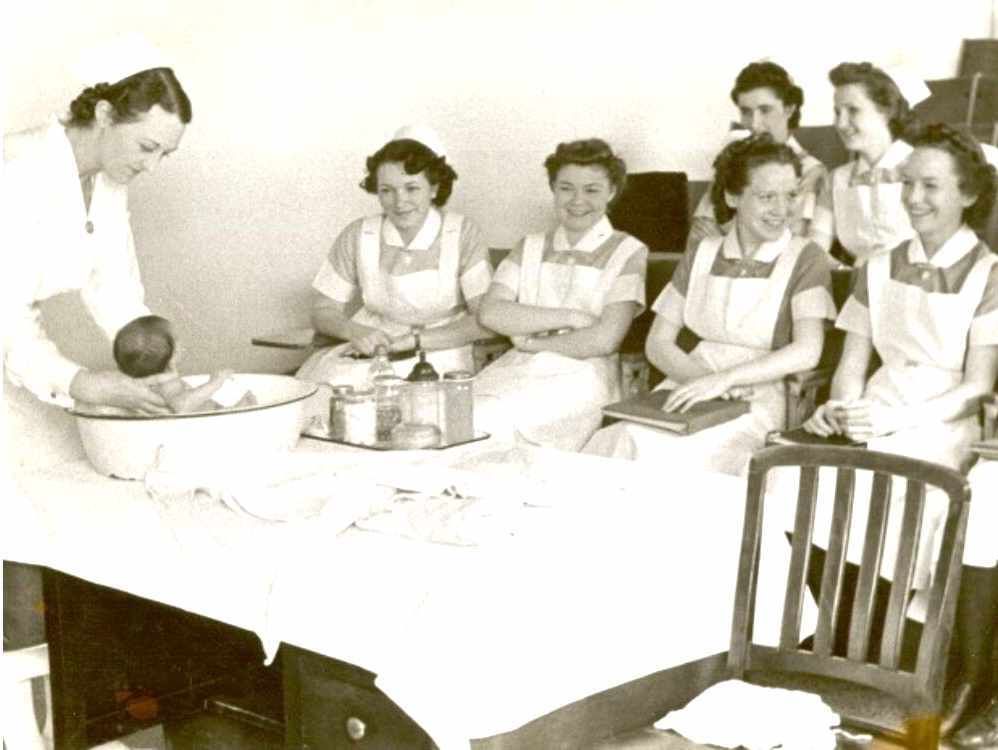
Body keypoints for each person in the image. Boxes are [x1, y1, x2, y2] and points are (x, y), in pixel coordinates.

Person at [802, 124, 998, 734]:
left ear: (967, 194)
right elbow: (853, 364)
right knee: (801, 482)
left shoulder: (989, 272)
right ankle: (840, 638)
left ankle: (912, 653)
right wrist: (840, 408)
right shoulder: (877, 264)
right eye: (906, 183)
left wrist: (895, 419)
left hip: (941, 415)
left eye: (930, 186)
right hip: (877, 404)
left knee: (906, 487)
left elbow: (976, 387)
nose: (914, 198)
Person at [3, 57, 191, 652]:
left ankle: (50, 705)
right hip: (8, 334)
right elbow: (8, 318)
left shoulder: (106, 185)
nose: (152, 164)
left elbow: (114, 288)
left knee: (62, 495)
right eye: (146, 145)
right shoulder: (17, 169)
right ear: (105, 113)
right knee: (20, 507)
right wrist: (83, 383)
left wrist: (153, 351)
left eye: (165, 153)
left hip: (11, 347)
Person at [583, 134, 834, 474]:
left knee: (693, 456)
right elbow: (658, 343)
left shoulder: (806, 257)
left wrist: (726, 381)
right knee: (622, 440)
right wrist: (703, 380)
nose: (782, 209)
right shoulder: (702, 252)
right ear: (732, 196)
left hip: (759, 394)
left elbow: (807, 350)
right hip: (689, 383)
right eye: (766, 196)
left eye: (791, 195)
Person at [473, 138, 648, 449]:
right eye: (566, 188)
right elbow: (491, 312)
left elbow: (603, 339)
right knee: (466, 417)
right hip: (517, 366)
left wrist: (531, 340)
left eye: (592, 189)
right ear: (553, 188)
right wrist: (569, 316)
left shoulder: (628, 251)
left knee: (494, 422)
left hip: (582, 376)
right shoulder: (530, 246)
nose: (577, 200)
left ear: (612, 192)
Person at [296, 126, 492, 397]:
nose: (399, 202)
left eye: (412, 188)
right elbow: (322, 308)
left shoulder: (461, 233)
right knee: (328, 397)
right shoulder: (359, 234)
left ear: (434, 188)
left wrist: (414, 341)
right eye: (387, 190)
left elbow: (485, 318)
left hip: (441, 348)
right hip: (373, 347)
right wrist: (353, 330)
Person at [686, 61, 827, 252]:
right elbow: (699, 235)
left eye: (765, 110)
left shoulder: (810, 170)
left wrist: (726, 237)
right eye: (746, 112)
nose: (754, 123)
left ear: (789, 109)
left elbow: (789, 242)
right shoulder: (733, 157)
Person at [808, 62, 928, 265]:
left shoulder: (923, 167)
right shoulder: (837, 180)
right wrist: (848, 276)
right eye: (838, 112)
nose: (841, 123)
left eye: (853, 110)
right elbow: (815, 248)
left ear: (886, 111)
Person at [112, 315, 256, 414]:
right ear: (172, 359)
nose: (183, 345)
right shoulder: (164, 385)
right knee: (249, 402)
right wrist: (214, 383)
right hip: (199, 427)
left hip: (202, 418)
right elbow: (180, 407)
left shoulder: (145, 384)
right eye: (178, 341)